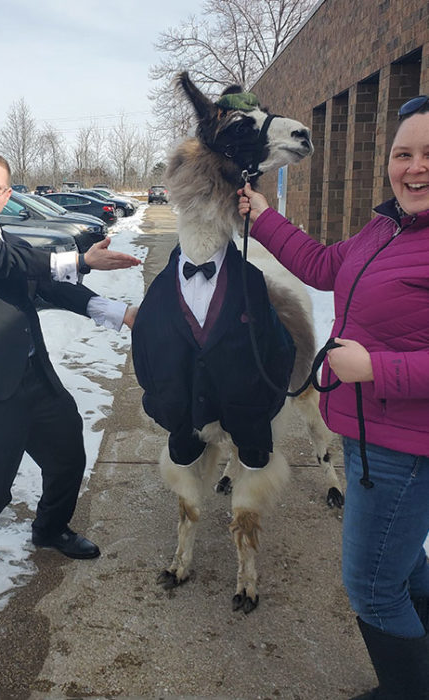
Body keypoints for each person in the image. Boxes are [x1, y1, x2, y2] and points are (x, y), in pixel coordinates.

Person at [238, 96, 429, 699]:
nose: (414, 168)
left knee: (372, 587)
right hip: (368, 433)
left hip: (404, 446)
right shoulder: (388, 227)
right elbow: (323, 266)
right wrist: (264, 216)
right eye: (404, 154)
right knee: (405, 566)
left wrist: (376, 366)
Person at [0, 150, 141, 618]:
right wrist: (82, 258)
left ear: (8, 195)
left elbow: (51, 286)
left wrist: (122, 313)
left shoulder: (9, 240)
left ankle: (50, 529)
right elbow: (4, 263)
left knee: (67, 455)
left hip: (31, 377)